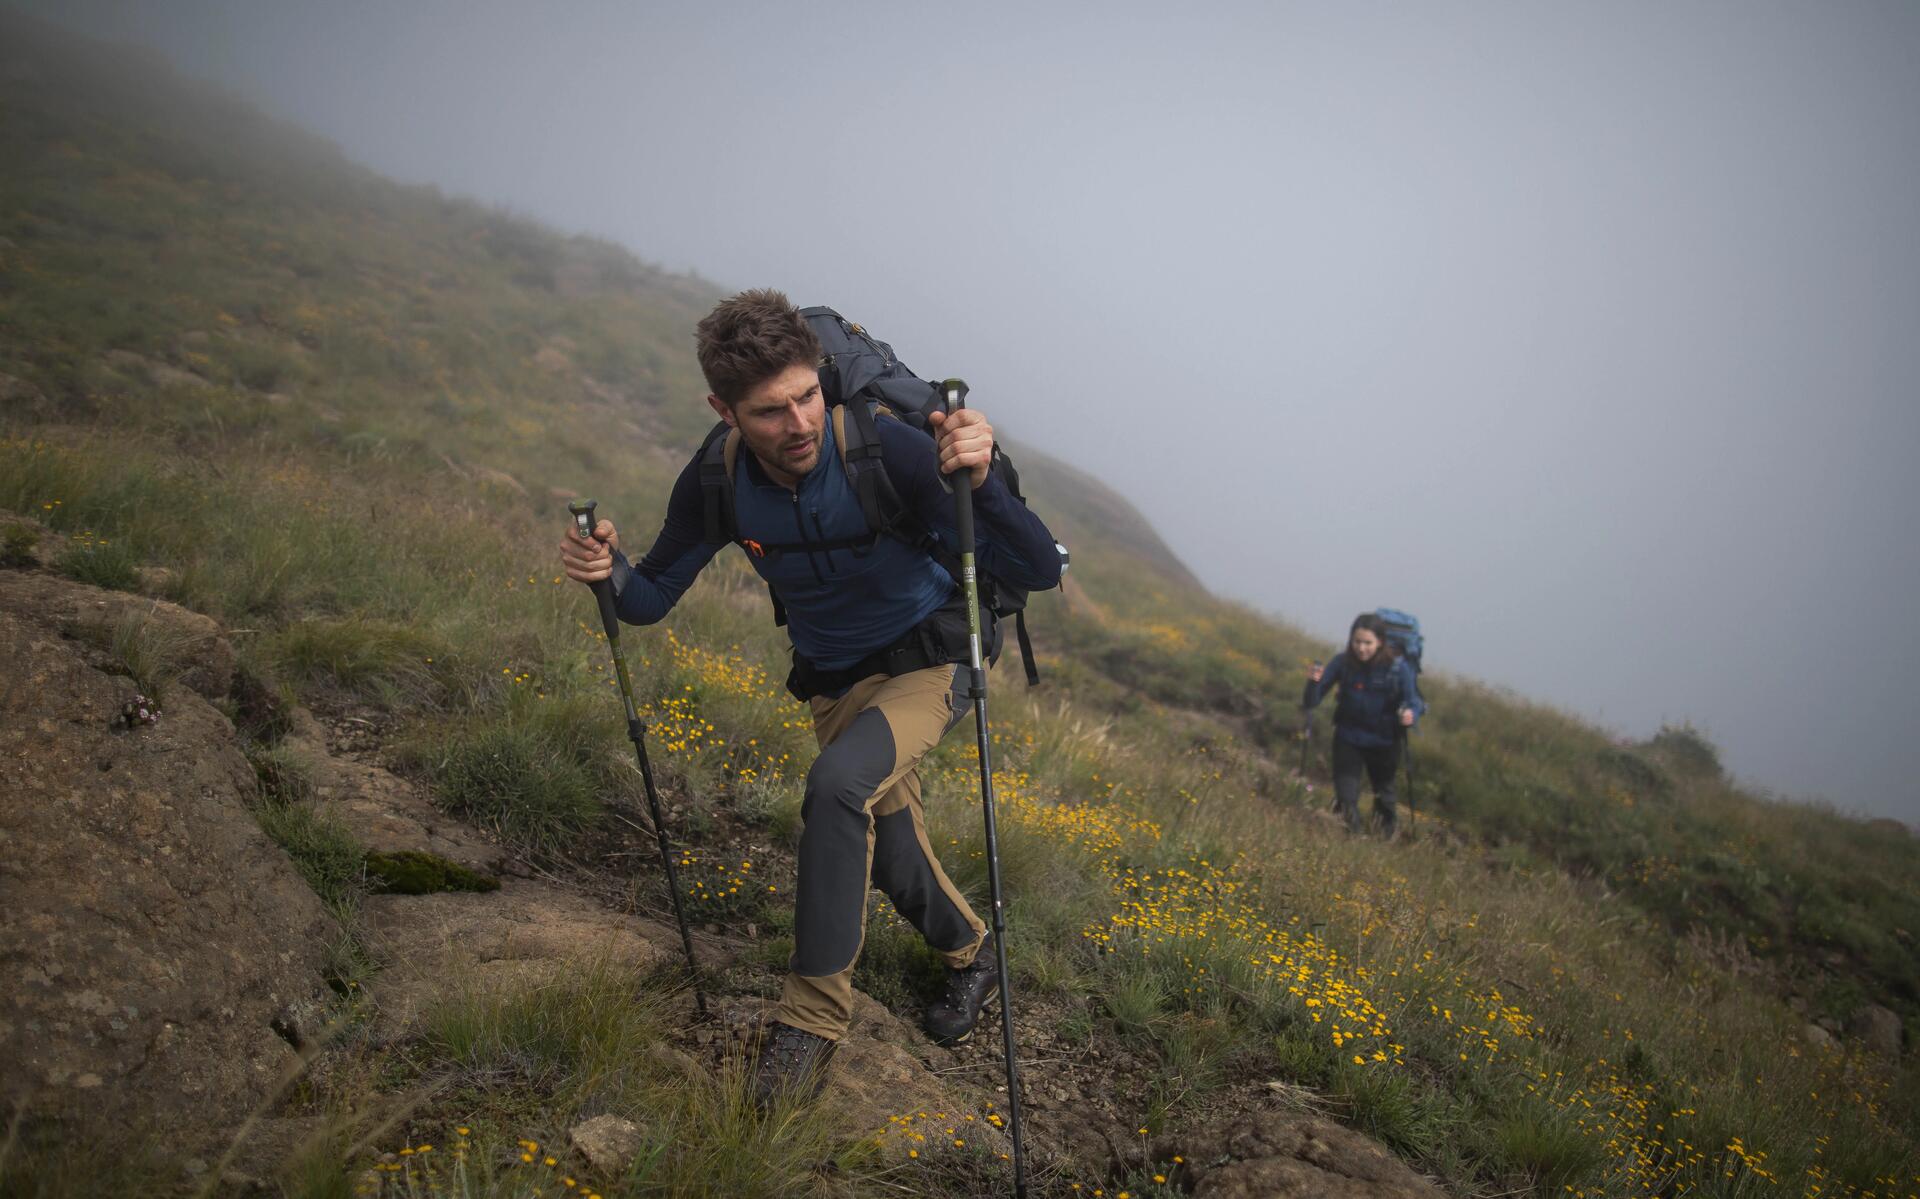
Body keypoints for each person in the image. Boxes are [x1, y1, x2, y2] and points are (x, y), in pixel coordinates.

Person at [558, 289, 1062, 1106]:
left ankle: (809, 1024)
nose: (798, 424)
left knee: (835, 787)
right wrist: (604, 569)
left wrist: (981, 480)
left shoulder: (887, 450)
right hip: (834, 677)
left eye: (806, 396)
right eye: (768, 411)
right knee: (890, 850)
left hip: (933, 656)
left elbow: (1038, 568)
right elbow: (648, 597)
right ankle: (974, 948)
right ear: (723, 409)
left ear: (821, 377)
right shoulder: (718, 478)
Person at [1301, 613, 1425, 838]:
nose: (1361, 648)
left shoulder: (1398, 668)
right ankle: (1352, 840)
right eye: (1357, 642)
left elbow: (1414, 701)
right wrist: (1313, 682)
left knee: (1384, 798)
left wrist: (1410, 714)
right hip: (1348, 738)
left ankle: (1384, 840)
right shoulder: (1342, 663)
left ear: (1380, 642)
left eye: (1367, 643)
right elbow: (1312, 701)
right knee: (1346, 797)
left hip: (1385, 742)